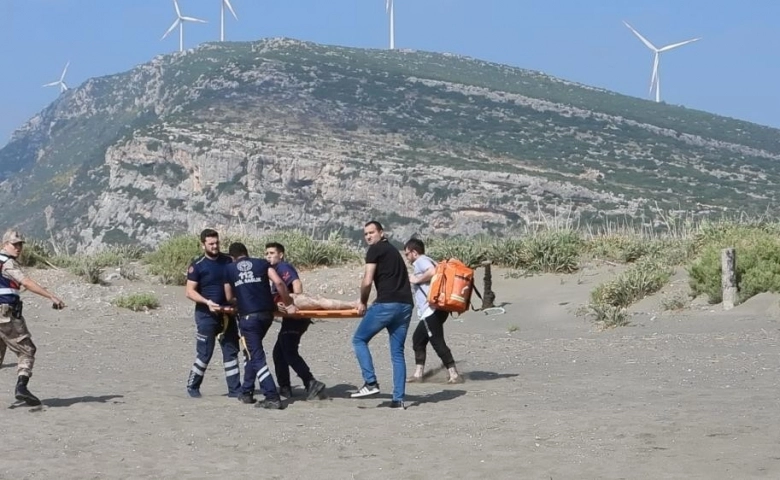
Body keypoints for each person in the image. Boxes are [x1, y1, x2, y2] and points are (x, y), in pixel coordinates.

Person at [224, 242, 297, 410]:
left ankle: (272, 396)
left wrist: (241, 299)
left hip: (248, 318)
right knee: (251, 351)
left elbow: (229, 296)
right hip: (266, 315)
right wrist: (289, 303)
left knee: (256, 356)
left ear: (232, 257)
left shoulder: (229, 269)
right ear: (247, 253)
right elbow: (279, 283)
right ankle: (247, 391)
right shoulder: (262, 263)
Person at [351, 221, 414, 409]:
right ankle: (398, 399)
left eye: (372, 232)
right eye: (366, 234)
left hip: (387, 304)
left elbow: (367, 280)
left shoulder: (375, 250)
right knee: (397, 353)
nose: (369, 236)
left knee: (359, 340)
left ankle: (370, 382)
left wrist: (362, 301)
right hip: (406, 306)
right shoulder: (394, 252)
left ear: (381, 232)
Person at [0, 230, 66, 406]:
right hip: (6, 314)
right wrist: (51, 296)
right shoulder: (7, 263)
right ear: (4, 244)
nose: (19, 248)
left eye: (20, 244)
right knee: (27, 350)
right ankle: (21, 388)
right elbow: (26, 282)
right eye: (15, 244)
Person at [265, 242, 327, 401]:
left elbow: (297, 284)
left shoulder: (283, 268)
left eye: (272, 253)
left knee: (288, 351)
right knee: (279, 353)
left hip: (296, 316)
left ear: (281, 255)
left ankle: (310, 382)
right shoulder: (275, 271)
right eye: (267, 254)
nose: (269, 256)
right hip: (289, 317)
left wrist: (295, 301)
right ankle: (285, 387)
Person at [184, 228, 241, 399]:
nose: (215, 246)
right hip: (206, 315)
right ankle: (193, 386)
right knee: (205, 353)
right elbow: (189, 291)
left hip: (228, 314)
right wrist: (207, 302)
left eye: (217, 243)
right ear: (203, 245)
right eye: (211, 244)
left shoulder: (229, 261)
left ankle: (235, 389)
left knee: (231, 352)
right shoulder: (197, 266)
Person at [403, 238, 463, 384]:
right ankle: (418, 374)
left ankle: (454, 374)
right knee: (418, 339)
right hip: (436, 309)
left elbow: (432, 271)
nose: (406, 257)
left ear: (414, 252)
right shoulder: (427, 259)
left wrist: (416, 280)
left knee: (437, 341)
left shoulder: (421, 261)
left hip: (431, 310)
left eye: (407, 254)